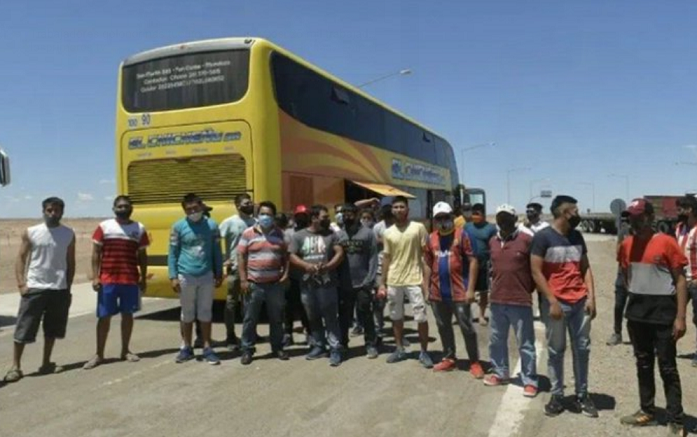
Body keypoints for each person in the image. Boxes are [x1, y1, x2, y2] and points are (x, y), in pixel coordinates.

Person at [617, 198, 688, 437]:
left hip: (663, 316)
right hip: (637, 316)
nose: (634, 222)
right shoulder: (626, 245)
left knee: (667, 367)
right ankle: (647, 410)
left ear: (650, 217)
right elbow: (626, 277)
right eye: (631, 218)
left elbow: (680, 281)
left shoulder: (667, 243)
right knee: (643, 363)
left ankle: (676, 420)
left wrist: (680, 317)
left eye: (638, 217)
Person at [531, 195, 597, 418]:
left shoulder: (577, 236)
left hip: (579, 303)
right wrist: (552, 301)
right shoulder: (543, 238)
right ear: (563, 213)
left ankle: (582, 395)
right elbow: (536, 271)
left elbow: (585, 267)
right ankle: (557, 396)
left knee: (582, 350)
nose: (578, 214)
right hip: (556, 304)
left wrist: (591, 297)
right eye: (574, 210)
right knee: (556, 351)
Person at [4, 197, 76, 383]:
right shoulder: (32, 232)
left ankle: (46, 363)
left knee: (52, 329)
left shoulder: (68, 234)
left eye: (57, 210)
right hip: (35, 287)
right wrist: (21, 284)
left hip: (58, 288)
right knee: (24, 327)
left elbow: (70, 262)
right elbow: (21, 258)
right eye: (49, 210)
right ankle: (15, 366)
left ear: (62, 212)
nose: (53, 213)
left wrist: (68, 286)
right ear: (43, 211)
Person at [83, 196, 149, 370]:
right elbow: (96, 253)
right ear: (113, 209)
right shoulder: (104, 227)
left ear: (131, 208)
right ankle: (99, 354)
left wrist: (143, 276)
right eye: (120, 206)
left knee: (128, 315)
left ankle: (125, 350)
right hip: (108, 280)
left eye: (126, 206)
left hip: (130, 279)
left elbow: (142, 255)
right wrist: (96, 277)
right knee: (104, 317)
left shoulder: (139, 228)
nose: (123, 209)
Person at [424, 202, 484, 378]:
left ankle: (474, 361)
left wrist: (470, 289)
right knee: (443, 326)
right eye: (439, 218)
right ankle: (449, 357)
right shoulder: (431, 238)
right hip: (437, 293)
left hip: (459, 292)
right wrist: (425, 288)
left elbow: (473, 261)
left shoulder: (462, 234)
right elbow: (427, 264)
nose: (442, 221)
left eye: (446, 217)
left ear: (452, 217)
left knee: (466, 327)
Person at [484, 205, 538, 398]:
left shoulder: (527, 240)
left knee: (525, 343)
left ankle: (529, 380)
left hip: (520, 300)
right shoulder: (493, 241)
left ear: (515, 220)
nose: (503, 222)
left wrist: (528, 289)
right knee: (496, 340)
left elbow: (536, 269)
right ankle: (500, 373)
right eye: (500, 218)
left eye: (507, 218)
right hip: (497, 300)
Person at [376, 196, 433, 368]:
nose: (399, 210)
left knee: (421, 317)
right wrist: (382, 282)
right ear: (392, 210)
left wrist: (426, 283)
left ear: (408, 209)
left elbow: (426, 255)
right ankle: (399, 349)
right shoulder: (387, 233)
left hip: (415, 280)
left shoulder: (418, 228)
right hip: (394, 280)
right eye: (396, 207)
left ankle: (424, 352)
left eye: (402, 207)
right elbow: (386, 258)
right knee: (396, 316)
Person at [168, 193, 224, 365]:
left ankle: (207, 347)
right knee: (187, 313)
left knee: (205, 311)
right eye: (189, 209)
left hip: (206, 274)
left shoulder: (212, 226)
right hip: (186, 275)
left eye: (195, 208)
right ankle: (186, 347)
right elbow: (172, 253)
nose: (193, 211)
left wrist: (219, 272)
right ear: (184, 210)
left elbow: (217, 251)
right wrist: (173, 276)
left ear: (201, 206)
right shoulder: (178, 227)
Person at [290, 205, 346, 366]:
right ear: (314, 218)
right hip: (307, 283)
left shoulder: (331, 235)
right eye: (324, 217)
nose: (328, 219)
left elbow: (339, 253)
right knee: (312, 316)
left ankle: (335, 347)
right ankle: (319, 345)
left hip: (327, 283)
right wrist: (306, 266)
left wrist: (328, 266)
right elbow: (291, 255)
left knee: (330, 316)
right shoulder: (299, 236)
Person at [238, 201, 290, 365]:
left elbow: (287, 256)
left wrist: (285, 274)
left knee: (276, 318)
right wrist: (243, 279)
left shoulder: (280, 234)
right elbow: (241, 256)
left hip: (275, 284)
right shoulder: (248, 233)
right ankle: (247, 349)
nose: (265, 217)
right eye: (262, 214)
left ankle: (277, 347)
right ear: (257, 215)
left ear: (274, 217)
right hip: (254, 284)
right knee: (250, 318)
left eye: (268, 214)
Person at [337, 203, 379, 358]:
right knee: (344, 316)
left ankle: (370, 344)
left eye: (350, 213)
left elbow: (373, 257)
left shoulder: (368, 233)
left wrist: (370, 279)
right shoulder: (339, 235)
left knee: (366, 314)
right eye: (344, 213)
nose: (347, 216)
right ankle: (343, 344)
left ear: (357, 215)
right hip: (344, 284)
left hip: (363, 283)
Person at [219, 193, 256, 351]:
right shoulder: (229, 222)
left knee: (250, 303)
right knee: (231, 303)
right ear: (238, 206)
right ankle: (230, 335)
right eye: (246, 203)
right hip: (234, 269)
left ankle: (250, 333)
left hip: (253, 269)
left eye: (251, 202)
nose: (250, 205)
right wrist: (223, 259)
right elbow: (216, 240)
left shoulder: (256, 222)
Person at [283, 205, 312, 347]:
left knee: (306, 306)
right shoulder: (288, 233)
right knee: (288, 306)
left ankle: (309, 332)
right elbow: (286, 254)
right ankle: (288, 333)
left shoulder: (311, 232)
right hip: (292, 275)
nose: (301, 219)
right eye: (298, 216)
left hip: (307, 276)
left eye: (303, 216)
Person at [464, 203, 497, 325]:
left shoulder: (491, 228)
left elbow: (494, 245)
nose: (475, 216)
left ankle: (481, 316)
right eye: (473, 214)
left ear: (483, 214)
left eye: (477, 214)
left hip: (484, 264)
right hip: (468, 264)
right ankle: (466, 316)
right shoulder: (467, 227)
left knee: (483, 291)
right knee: (467, 289)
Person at [674, 195, 697, 367]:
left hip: (695, 281)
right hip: (680, 280)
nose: (678, 211)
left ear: (690, 210)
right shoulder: (679, 228)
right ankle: (669, 346)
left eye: (681, 208)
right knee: (672, 313)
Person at [607, 212, 632, 346]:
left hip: (637, 274)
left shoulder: (641, 233)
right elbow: (618, 251)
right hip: (622, 273)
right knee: (619, 305)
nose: (625, 222)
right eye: (623, 219)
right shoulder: (623, 231)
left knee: (635, 307)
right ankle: (617, 333)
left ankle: (637, 335)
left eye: (627, 219)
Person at [522, 202, 550, 324]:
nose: (529, 214)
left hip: (540, 261)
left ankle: (543, 311)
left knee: (541, 287)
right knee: (525, 287)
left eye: (532, 211)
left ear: (538, 213)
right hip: (525, 261)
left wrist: (530, 228)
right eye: (527, 211)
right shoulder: (522, 227)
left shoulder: (545, 227)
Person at [372, 204, 395, 343]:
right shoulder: (377, 227)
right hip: (380, 268)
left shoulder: (398, 226)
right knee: (379, 301)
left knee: (395, 302)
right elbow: (374, 244)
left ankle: (397, 331)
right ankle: (378, 330)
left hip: (396, 268)